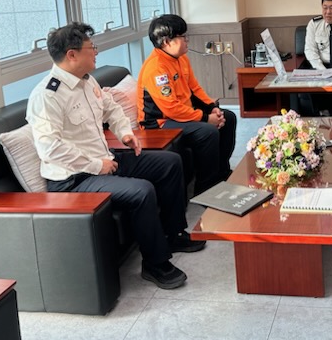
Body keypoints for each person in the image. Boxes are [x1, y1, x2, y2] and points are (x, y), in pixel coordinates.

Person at [27, 22, 204, 291]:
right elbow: (50, 148)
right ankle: (155, 264)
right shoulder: (46, 96)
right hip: (74, 178)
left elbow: (111, 109)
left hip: (104, 159)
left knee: (169, 162)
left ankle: (174, 234)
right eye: (91, 48)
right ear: (72, 54)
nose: (96, 52)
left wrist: (125, 134)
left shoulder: (87, 80)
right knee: (141, 191)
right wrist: (97, 165)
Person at [138, 14, 236, 195]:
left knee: (228, 117)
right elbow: (171, 108)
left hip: (181, 114)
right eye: (182, 36)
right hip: (159, 123)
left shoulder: (181, 58)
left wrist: (212, 108)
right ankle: (205, 188)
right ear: (167, 42)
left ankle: (222, 173)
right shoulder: (156, 68)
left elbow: (194, 89)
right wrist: (205, 118)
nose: (187, 40)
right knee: (208, 131)